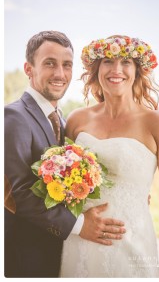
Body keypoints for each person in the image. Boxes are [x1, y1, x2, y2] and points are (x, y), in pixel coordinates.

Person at [60, 35, 159, 278]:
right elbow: (61, 181)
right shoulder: (76, 119)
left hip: (131, 239)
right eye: (108, 61)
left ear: (137, 71)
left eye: (126, 62)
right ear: (97, 69)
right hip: (80, 239)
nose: (116, 70)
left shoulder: (157, 122)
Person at [4, 31, 126, 277]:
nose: (60, 74)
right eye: (50, 63)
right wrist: (80, 226)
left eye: (66, 65)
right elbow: (17, 195)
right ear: (29, 69)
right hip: (27, 254)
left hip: (61, 252)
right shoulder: (14, 117)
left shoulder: (61, 118)